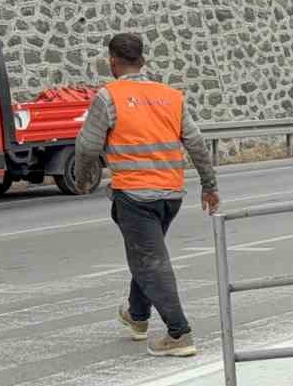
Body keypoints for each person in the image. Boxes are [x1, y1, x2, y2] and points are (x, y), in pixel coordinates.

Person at [73, 33, 219, 357]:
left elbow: (87, 146)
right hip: (170, 195)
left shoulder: (109, 97)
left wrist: (83, 181)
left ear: (112, 61)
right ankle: (137, 317)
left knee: (150, 261)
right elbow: (196, 143)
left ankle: (179, 333)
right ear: (142, 59)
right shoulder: (170, 96)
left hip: (135, 195)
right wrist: (209, 186)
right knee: (146, 256)